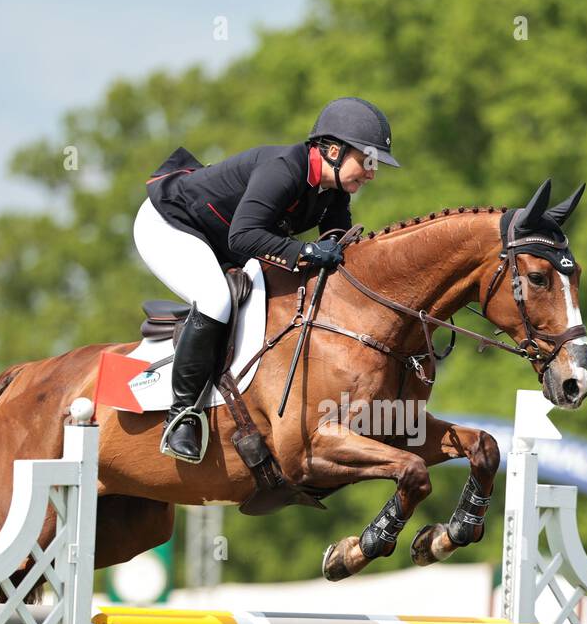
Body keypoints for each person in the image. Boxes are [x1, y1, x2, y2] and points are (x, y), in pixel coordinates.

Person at [134, 96, 400, 463]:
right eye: (367, 161)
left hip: (223, 238)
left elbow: (335, 236)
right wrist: (305, 253)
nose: (371, 173)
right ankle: (181, 416)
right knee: (215, 299)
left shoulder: (331, 189)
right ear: (334, 150)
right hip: (171, 224)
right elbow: (243, 237)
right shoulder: (283, 171)